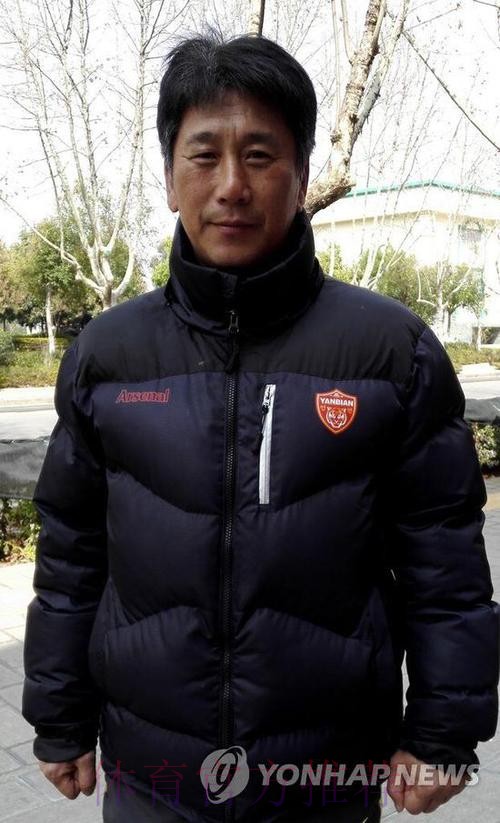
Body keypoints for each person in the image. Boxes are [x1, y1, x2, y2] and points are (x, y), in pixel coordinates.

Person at [22, 33, 499, 823]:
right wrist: (59, 714)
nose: (232, 186)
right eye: (204, 155)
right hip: (154, 777)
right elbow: (71, 556)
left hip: (323, 778)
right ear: (169, 177)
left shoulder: (393, 353)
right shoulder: (108, 356)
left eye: (260, 155)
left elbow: (444, 566)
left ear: (303, 174)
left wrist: (444, 731)